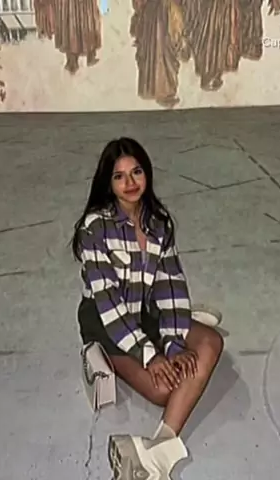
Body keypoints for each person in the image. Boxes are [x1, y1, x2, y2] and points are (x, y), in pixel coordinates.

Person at [71, 137, 224, 478]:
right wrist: (150, 355)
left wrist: (173, 345)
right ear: (108, 183)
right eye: (119, 176)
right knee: (166, 389)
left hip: (145, 306)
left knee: (211, 342)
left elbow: (170, 284)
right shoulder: (94, 228)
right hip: (105, 320)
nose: (130, 183)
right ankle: (105, 355)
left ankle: (158, 450)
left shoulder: (159, 223)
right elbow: (109, 304)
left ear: (147, 173)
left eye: (136, 172)